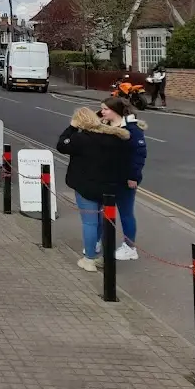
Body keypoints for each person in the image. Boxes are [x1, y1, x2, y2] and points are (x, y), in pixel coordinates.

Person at [56, 107, 132, 273]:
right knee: (106, 223)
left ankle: (89, 259)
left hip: (86, 187)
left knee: (90, 223)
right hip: (110, 187)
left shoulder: (79, 138)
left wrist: (71, 127)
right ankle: (105, 258)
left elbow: (61, 145)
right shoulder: (115, 138)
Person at [99, 96, 147, 261]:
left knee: (126, 213)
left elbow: (139, 154)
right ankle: (100, 241)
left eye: (105, 109)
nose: (102, 112)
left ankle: (130, 247)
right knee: (102, 211)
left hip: (125, 179)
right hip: (105, 177)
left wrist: (133, 176)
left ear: (116, 111)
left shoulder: (133, 129)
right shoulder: (103, 126)